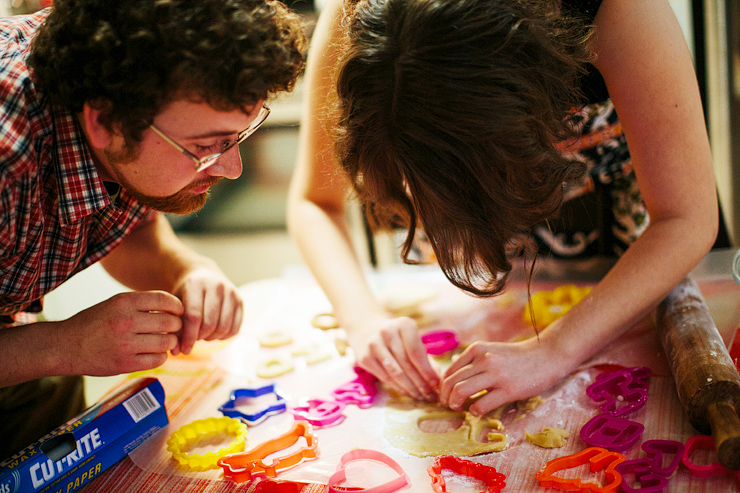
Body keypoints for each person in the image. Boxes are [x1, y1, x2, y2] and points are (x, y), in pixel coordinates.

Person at [288, 0, 718, 416]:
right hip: (450, 292)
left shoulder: (616, 8)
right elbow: (315, 202)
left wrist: (555, 348)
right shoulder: (359, 16)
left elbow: (685, 218)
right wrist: (361, 317)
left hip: (613, 238)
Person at [0, 0, 307, 457]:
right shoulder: (8, 156)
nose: (233, 168)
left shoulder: (120, 82)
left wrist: (183, 268)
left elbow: (129, 226)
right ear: (103, 120)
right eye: (205, 147)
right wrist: (64, 344)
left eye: (238, 137)